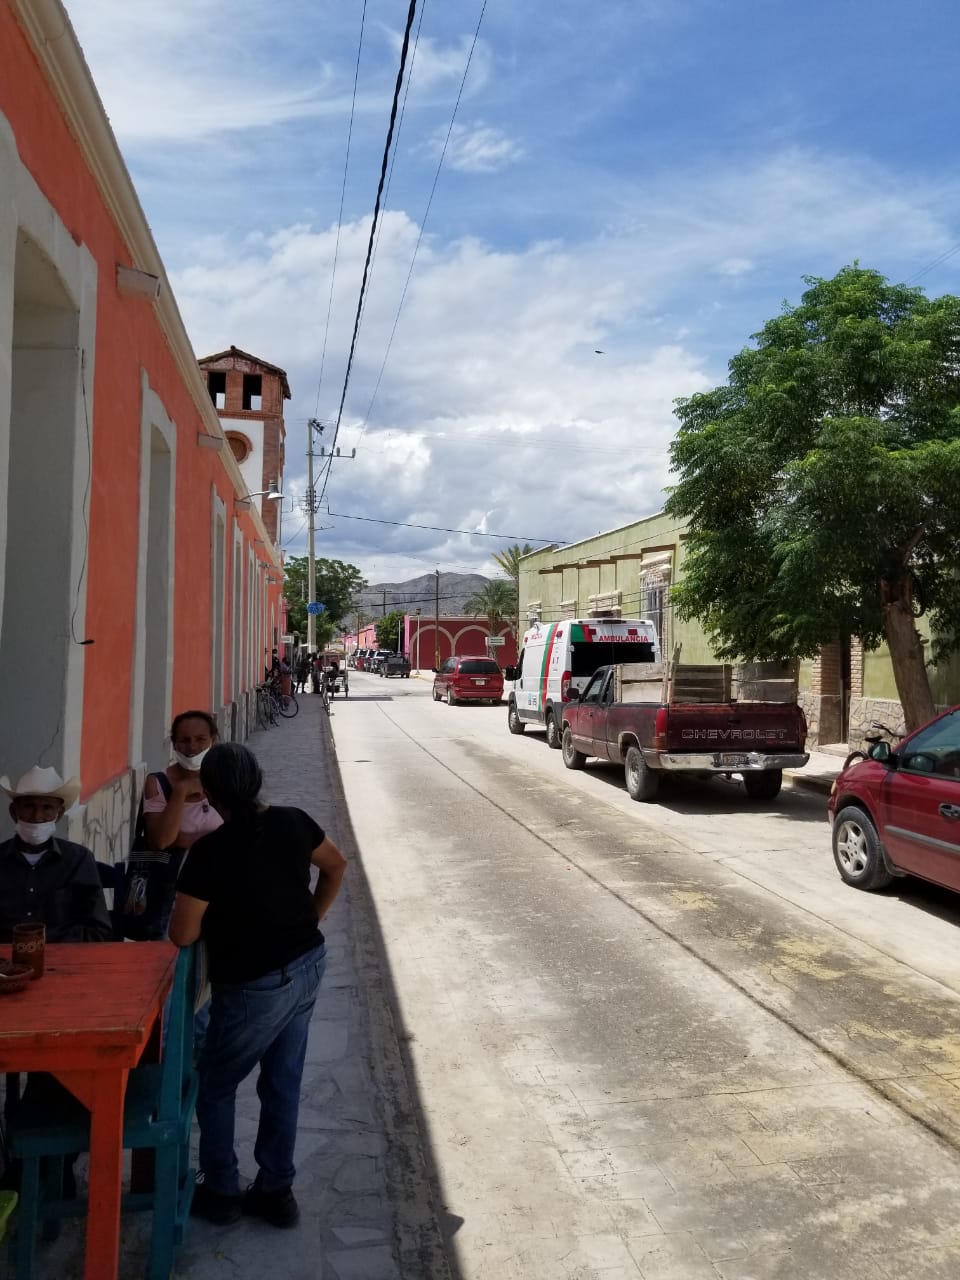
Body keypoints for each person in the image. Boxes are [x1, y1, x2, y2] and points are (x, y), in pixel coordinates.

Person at [169, 743, 347, 1228]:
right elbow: (336, 865)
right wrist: (311, 915)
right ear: (257, 779)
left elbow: (182, 933)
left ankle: (223, 1191)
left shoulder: (210, 851)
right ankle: (275, 1191)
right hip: (308, 964)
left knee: (216, 1084)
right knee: (282, 1082)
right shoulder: (293, 820)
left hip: (253, 984)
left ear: (208, 793)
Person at [0, 766, 111, 942]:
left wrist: (43, 943)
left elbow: (97, 928)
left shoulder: (78, 860)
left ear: (58, 815)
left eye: (47, 808)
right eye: (29, 806)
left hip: (63, 959)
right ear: (14, 812)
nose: (37, 816)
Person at [142, 711, 223, 860]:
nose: (192, 747)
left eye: (200, 739)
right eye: (184, 740)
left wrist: (184, 839)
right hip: (175, 878)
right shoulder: (157, 782)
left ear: (212, 741)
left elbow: (242, 829)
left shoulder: (225, 777)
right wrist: (181, 791)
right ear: (174, 744)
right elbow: (161, 841)